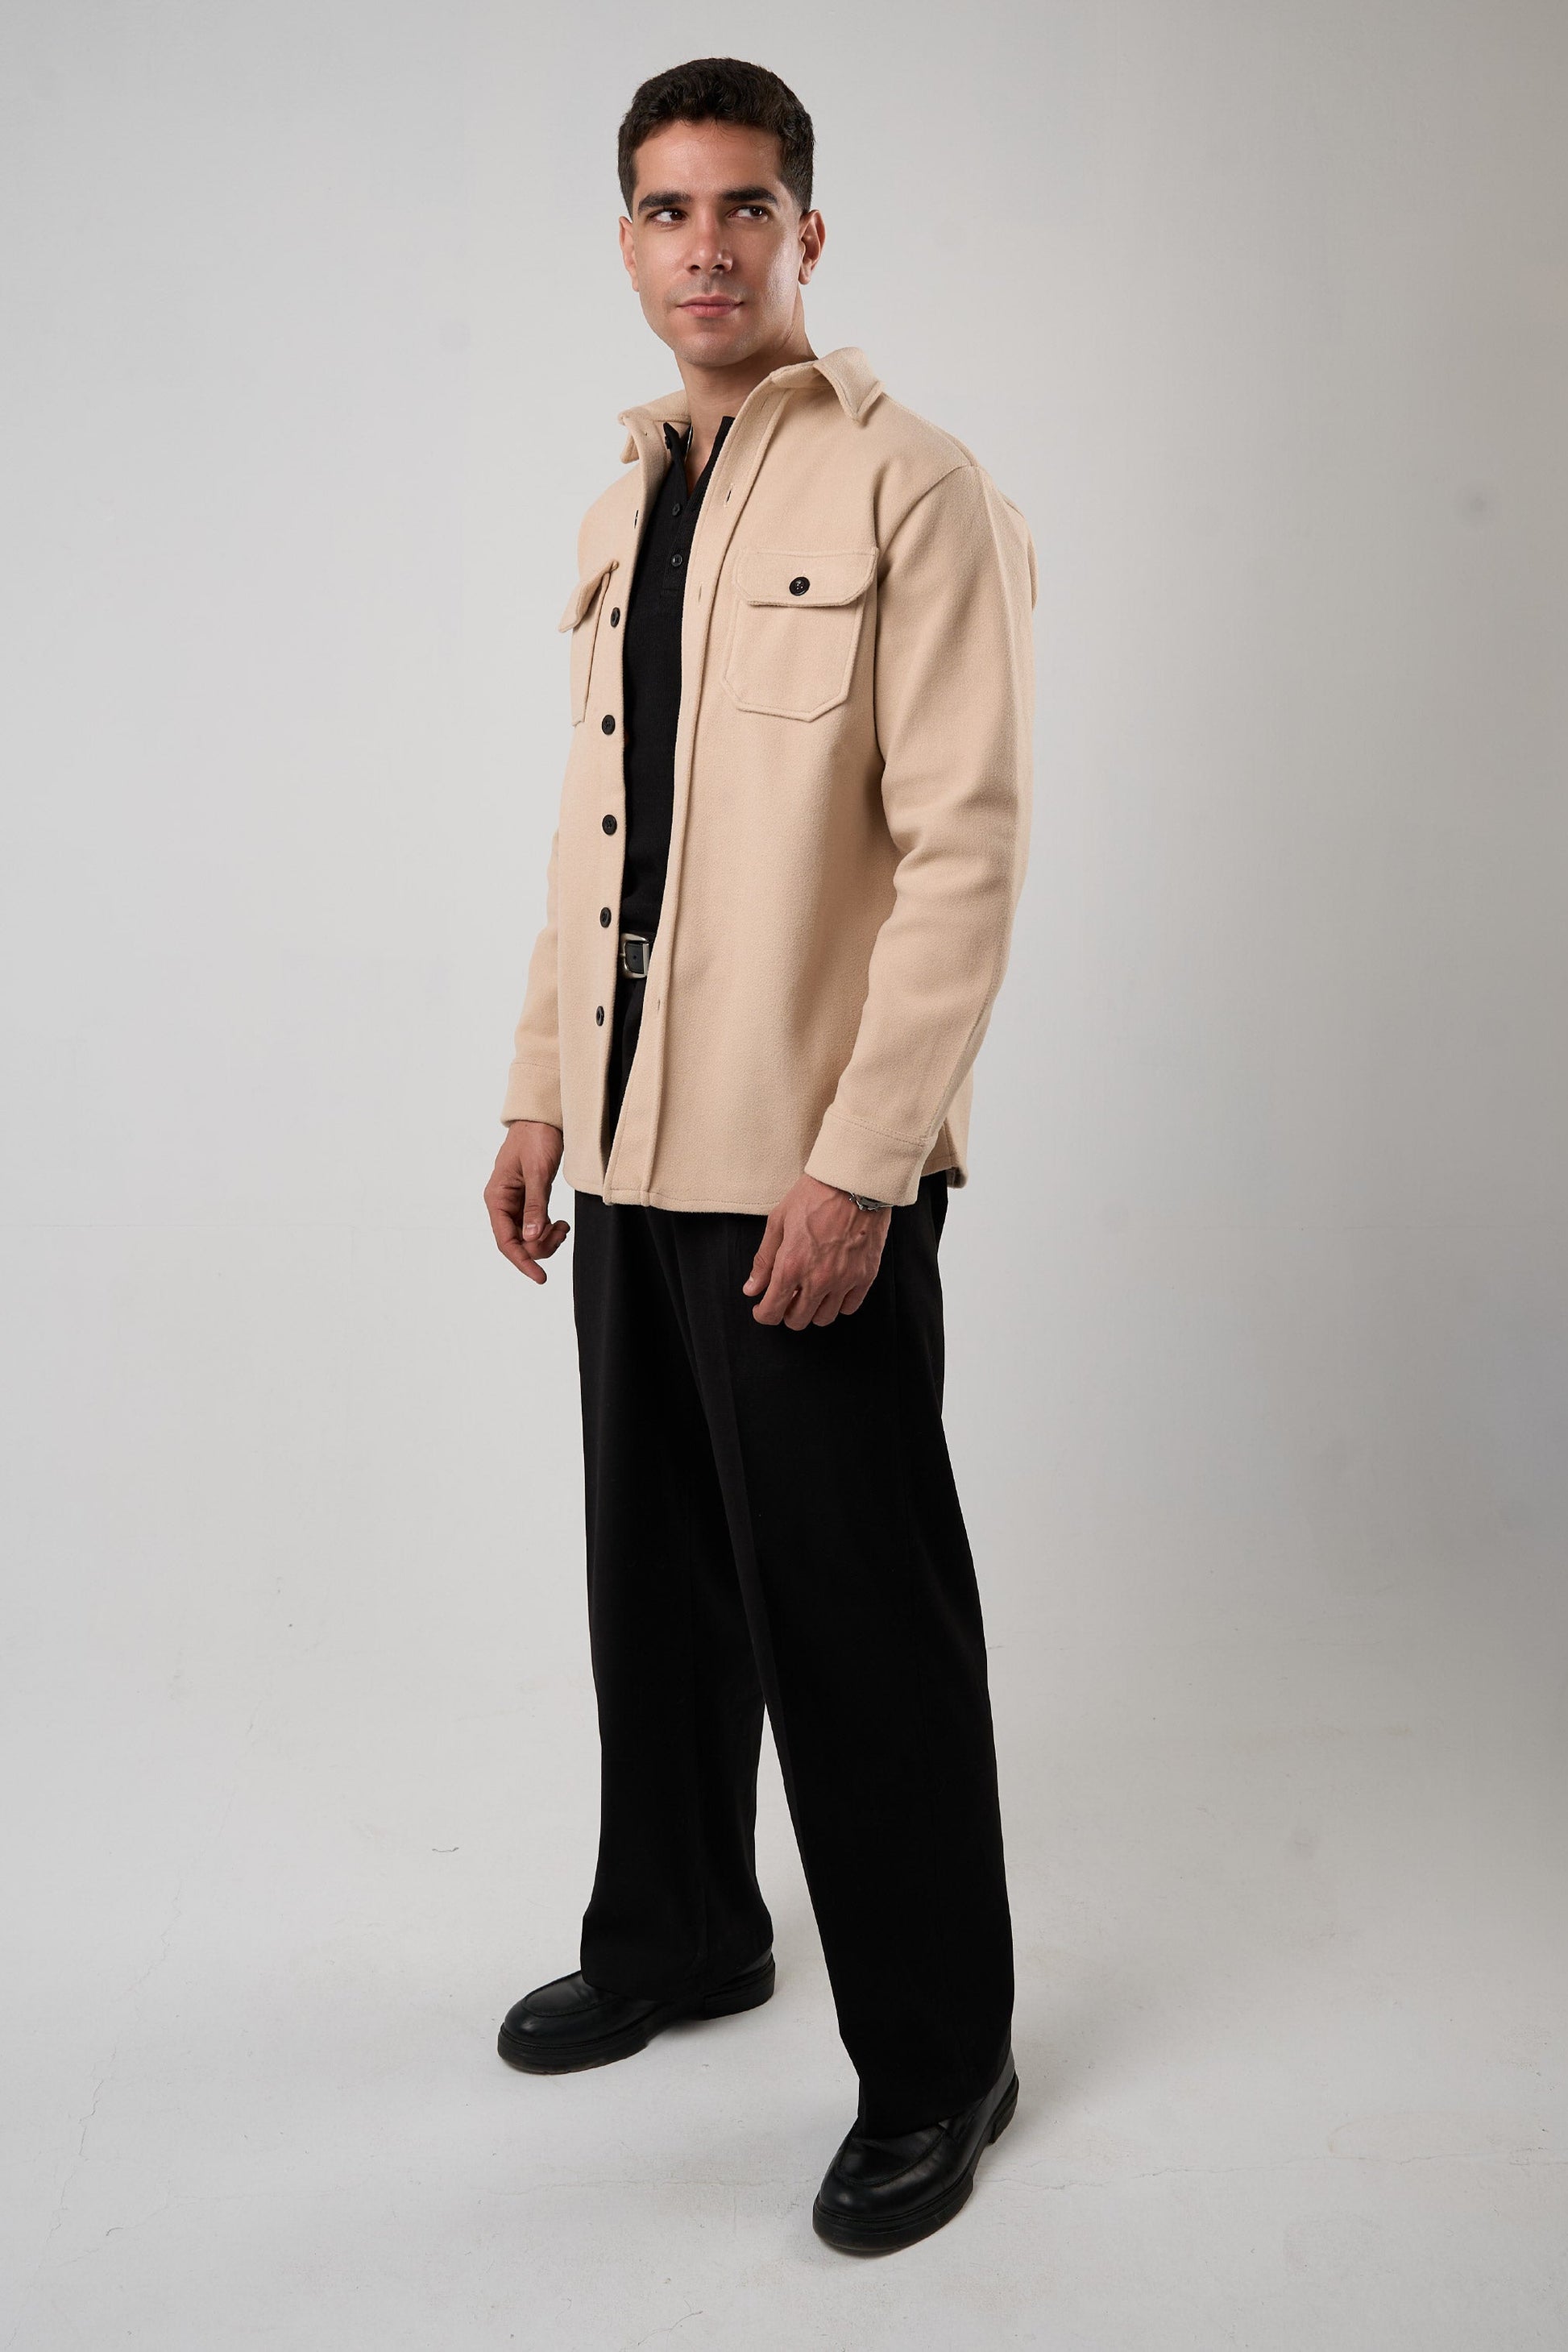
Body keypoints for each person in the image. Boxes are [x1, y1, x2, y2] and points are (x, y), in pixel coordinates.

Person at [482, 55, 1036, 2257]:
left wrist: (863, 1163)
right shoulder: (625, 500)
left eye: (741, 208)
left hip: (806, 1164)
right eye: (663, 209)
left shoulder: (917, 490)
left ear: (808, 232)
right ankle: (683, 1932)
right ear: (624, 240)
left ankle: (943, 2057)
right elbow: (594, 833)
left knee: (855, 1621)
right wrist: (541, 1086)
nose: (701, 248)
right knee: (656, 1587)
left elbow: (963, 854)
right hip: (635, 1147)